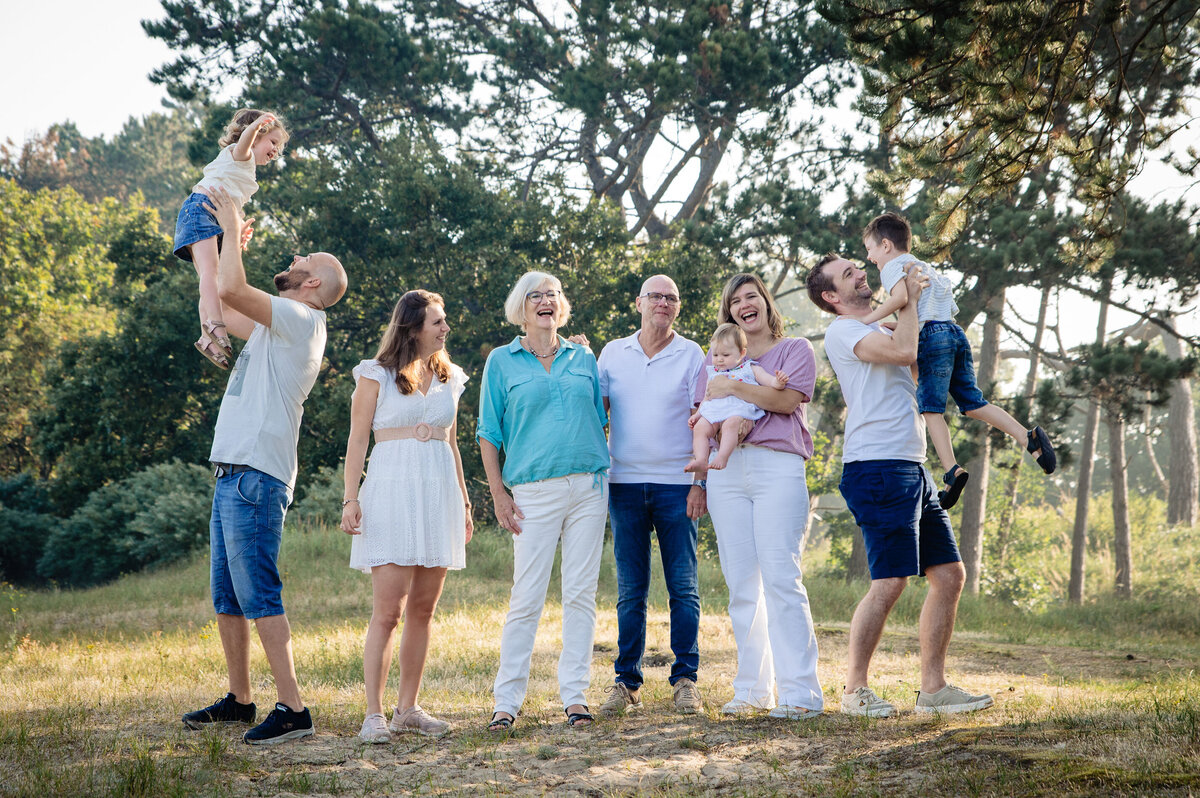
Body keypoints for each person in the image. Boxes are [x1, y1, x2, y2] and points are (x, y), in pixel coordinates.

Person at [181, 186, 348, 744]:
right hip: (233, 470)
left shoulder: (302, 319)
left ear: (314, 283)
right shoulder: (278, 326)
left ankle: (295, 710)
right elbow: (223, 303)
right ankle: (240, 699)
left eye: (303, 260)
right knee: (228, 596)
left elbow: (232, 287)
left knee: (260, 596)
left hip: (257, 475)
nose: (295, 260)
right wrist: (224, 246)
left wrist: (230, 223)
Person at [807, 252, 993, 718]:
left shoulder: (882, 324)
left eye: (857, 265)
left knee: (949, 576)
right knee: (890, 583)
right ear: (832, 296)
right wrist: (907, 298)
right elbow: (906, 354)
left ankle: (933, 691)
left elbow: (918, 367)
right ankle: (854, 692)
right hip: (876, 467)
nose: (859, 272)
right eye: (847, 273)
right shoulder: (844, 330)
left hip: (913, 466)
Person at [476, 272, 609, 731]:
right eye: (536, 295)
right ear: (522, 307)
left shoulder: (583, 357)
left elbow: (599, 415)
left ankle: (575, 697)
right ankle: (506, 703)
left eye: (553, 295)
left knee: (579, 595)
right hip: (532, 491)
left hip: (589, 487)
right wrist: (499, 493)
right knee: (526, 597)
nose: (545, 301)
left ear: (561, 306)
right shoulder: (502, 361)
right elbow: (488, 432)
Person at [340, 290, 474, 743]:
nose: (445, 328)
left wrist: (465, 501)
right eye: (437, 321)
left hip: (438, 494)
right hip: (391, 493)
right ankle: (374, 715)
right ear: (412, 327)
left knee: (423, 608)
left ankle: (408, 709)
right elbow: (358, 441)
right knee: (388, 611)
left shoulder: (451, 376)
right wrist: (349, 497)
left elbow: (452, 444)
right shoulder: (374, 374)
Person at [860, 211, 1057, 509]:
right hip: (954, 333)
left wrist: (869, 319)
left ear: (886, 245)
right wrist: (899, 327)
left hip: (932, 338)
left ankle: (952, 470)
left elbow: (902, 299)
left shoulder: (892, 267)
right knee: (973, 403)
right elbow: (932, 311)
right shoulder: (924, 266)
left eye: (870, 249)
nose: (870, 257)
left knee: (930, 408)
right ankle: (1028, 437)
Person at [695, 273, 824, 720]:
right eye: (735, 301)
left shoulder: (795, 350)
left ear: (767, 304)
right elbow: (701, 412)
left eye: (752, 296)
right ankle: (752, 689)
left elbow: (786, 402)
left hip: (776, 468)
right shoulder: (713, 356)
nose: (744, 305)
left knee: (781, 579)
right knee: (742, 584)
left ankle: (800, 695)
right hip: (726, 472)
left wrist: (734, 388)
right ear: (729, 313)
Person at [595, 275, 706, 718]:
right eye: (655, 296)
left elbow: (706, 421)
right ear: (638, 302)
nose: (663, 302)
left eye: (671, 297)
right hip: (622, 484)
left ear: (677, 307)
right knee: (630, 589)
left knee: (684, 586)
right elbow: (592, 412)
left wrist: (701, 483)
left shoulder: (693, 353)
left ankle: (685, 680)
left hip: (678, 485)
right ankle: (627, 682)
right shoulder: (612, 353)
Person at [173, 108, 289, 370]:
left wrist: (237, 233)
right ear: (257, 134)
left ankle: (208, 338)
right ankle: (215, 325)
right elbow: (247, 138)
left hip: (211, 217)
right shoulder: (241, 154)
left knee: (212, 280)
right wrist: (258, 123)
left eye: (279, 148)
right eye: (273, 143)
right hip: (201, 210)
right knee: (211, 276)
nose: (275, 151)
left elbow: (232, 205)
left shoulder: (244, 171)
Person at [686, 323, 790, 473]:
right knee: (700, 428)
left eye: (725, 355)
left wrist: (778, 381)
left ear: (742, 353)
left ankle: (723, 456)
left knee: (731, 424)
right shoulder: (713, 373)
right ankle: (701, 460)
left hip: (738, 410)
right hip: (715, 410)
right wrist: (697, 414)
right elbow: (707, 398)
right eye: (715, 355)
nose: (719, 360)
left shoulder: (750, 368)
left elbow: (770, 381)